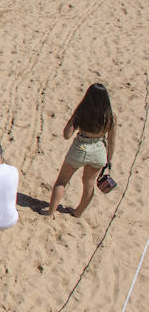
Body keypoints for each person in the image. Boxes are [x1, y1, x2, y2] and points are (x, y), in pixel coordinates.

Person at [44, 83, 116, 218]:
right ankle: (78, 212)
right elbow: (112, 141)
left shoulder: (82, 112)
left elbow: (67, 135)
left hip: (81, 147)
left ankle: (51, 211)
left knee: (62, 181)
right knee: (89, 184)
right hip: (99, 150)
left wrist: (73, 119)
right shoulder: (111, 117)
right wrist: (109, 160)